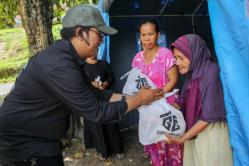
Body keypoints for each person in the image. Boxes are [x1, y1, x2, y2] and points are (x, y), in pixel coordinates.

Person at [0, 5, 164, 166]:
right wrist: (138, 100)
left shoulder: (70, 60)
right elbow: (97, 112)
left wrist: (138, 98)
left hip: (43, 138)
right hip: (20, 142)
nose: (102, 40)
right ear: (79, 32)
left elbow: (98, 93)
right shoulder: (59, 65)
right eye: (99, 34)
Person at [167, 34, 233, 166]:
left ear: (195, 53)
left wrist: (183, 138)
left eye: (181, 58)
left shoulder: (211, 72)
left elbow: (208, 116)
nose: (177, 63)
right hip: (194, 129)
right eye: (175, 58)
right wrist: (161, 109)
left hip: (211, 133)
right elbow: (183, 101)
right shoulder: (192, 73)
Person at [131, 19, 183, 166]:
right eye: (143, 35)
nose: (147, 38)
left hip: (167, 106)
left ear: (158, 35)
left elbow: (173, 80)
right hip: (148, 108)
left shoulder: (166, 54)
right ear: (140, 36)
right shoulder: (137, 59)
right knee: (155, 142)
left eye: (151, 34)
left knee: (171, 141)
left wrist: (156, 97)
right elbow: (136, 83)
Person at [82, 55, 125, 160]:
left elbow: (111, 78)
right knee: (97, 127)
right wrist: (91, 84)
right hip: (90, 101)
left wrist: (105, 84)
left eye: (95, 48)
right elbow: (78, 83)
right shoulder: (81, 66)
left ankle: (118, 149)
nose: (93, 51)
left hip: (106, 98)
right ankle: (103, 152)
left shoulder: (104, 64)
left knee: (111, 124)